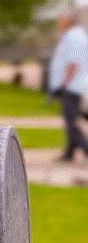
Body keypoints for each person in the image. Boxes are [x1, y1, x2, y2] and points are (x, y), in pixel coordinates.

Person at [48, 9, 88, 161]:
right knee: (69, 119)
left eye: (61, 18)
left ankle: (86, 149)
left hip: (71, 85)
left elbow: (74, 62)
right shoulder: (72, 35)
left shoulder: (74, 36)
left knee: (71, 122)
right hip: (70, 84)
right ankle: (69, 153)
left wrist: (66, 82)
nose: (59, 21)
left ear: (68, 20)